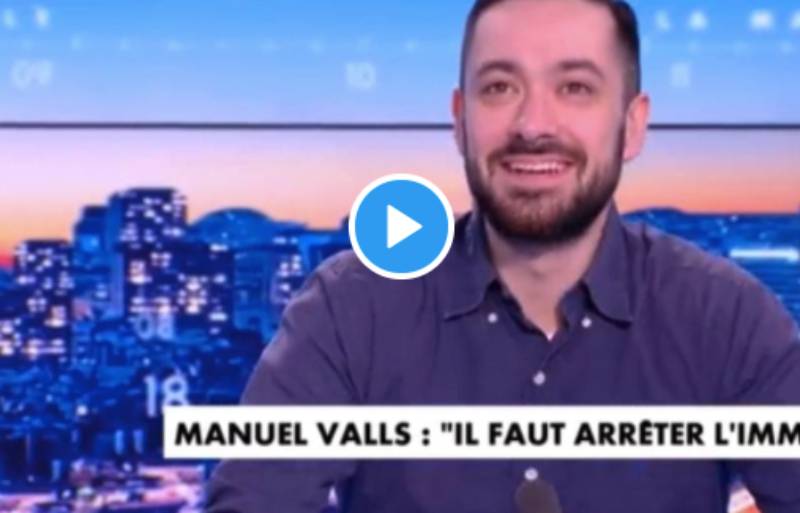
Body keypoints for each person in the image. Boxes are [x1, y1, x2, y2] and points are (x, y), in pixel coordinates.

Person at [205, 1, 800, 512]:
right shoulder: (353, 306)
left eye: (575, 88)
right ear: (460, 121)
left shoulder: (725, 317)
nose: (533, 124)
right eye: (499, 87)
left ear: (632, 124)